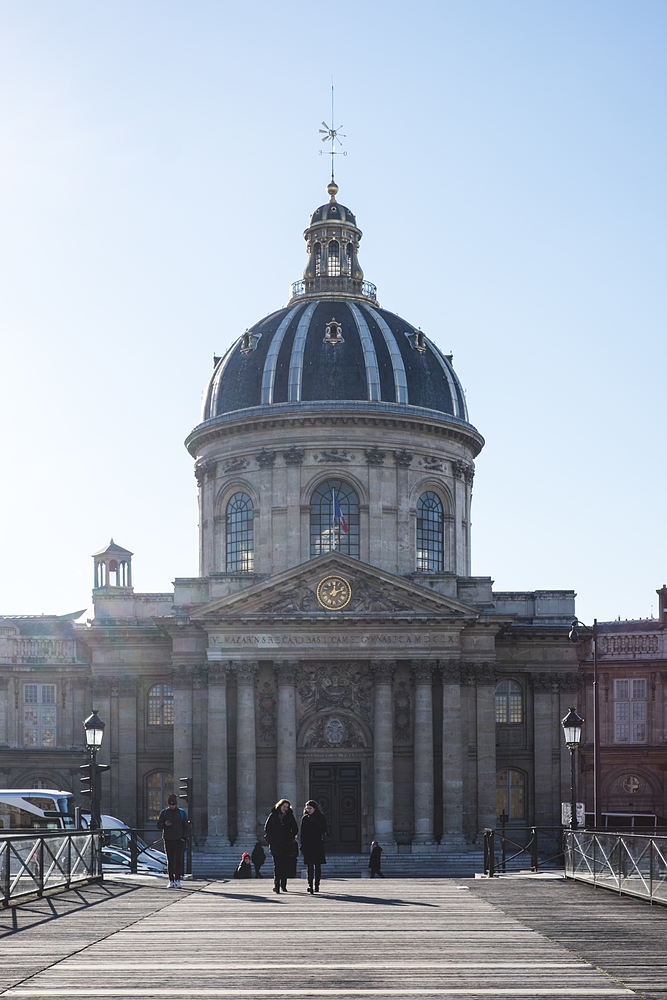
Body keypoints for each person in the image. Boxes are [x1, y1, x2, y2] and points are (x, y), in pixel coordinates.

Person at [264, 798, 298, 893]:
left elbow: (295, 829)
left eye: (287, 807)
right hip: (276, 844)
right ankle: (277, 885)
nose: (285, 809)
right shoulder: (273, 816)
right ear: (279, 806)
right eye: (284, 807)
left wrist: (289, 836)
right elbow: (267, 828)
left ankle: (283, 885)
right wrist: (272, 838)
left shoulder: (290, 816)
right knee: (277, 866)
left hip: (286, 844)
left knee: (285, 866)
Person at [157, 793, 189, 888]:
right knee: (170, 860)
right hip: (168, 839)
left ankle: (178, 879)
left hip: (179, 840)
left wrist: (184, 837)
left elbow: (186, 827)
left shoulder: (181, 813)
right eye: (170, 805)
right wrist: (164, 825)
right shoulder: (164, 813)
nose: (172, 806)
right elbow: (159, 825)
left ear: (176, 804)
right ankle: (171, 880)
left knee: (178, 860)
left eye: (173, 805)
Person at [300, 799, 327, 894]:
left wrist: (314, 821)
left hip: (318, 844)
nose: (308, 810)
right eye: (307, 808)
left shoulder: (321, 818)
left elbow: (323, 829)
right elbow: (302, 833)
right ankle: (310, 885)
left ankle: (317, 885)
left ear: (315, 809)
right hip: (308, 845)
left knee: (318, 866)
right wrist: (302, 845)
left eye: (310, 808)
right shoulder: (305, 818)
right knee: (309, 866)